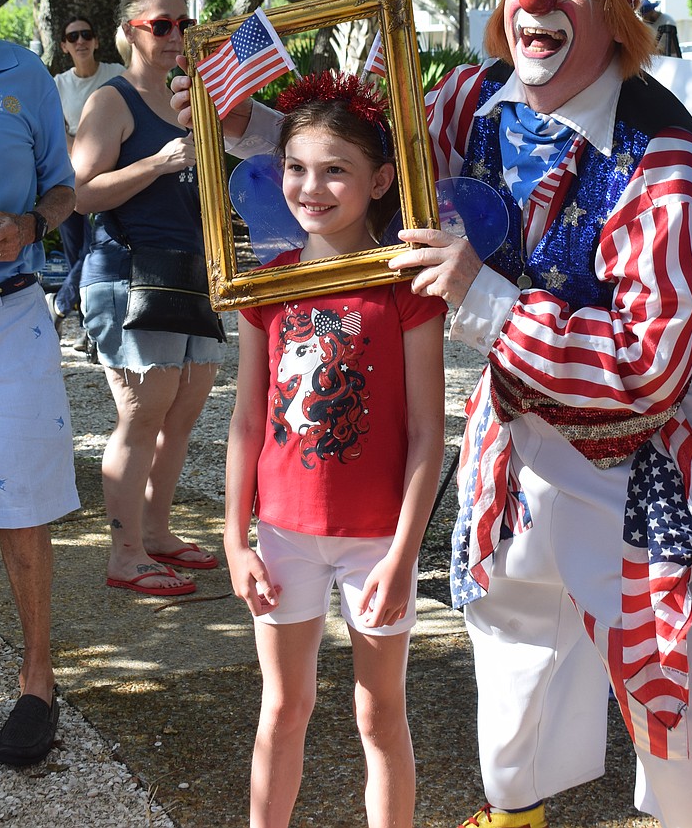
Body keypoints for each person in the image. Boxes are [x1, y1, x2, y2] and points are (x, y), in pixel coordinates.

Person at [174, 0, 692, 828]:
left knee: (661, 670)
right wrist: (243, 118)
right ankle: (517, 806)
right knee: (512, 609)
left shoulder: (666, 165)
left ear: (615, 17)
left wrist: (483, 298)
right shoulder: (473, 98)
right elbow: (366, 160)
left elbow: (650, 369)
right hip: (522, 400)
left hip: (648, 434)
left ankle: (688, 818)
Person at [223, 70, 446, 828]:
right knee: (282, 708)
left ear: (380, 177)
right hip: (283, 535)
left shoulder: (405, 285)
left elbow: (426, 433)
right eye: (295, 167)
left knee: (379, 714)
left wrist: (404, 553)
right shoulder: (268, 286)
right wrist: (234, 539)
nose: (311, 186)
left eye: (335, 169)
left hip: (377, 540)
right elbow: (247, 423)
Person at [72, 0, 223, 597]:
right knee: (142, 414)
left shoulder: (191, 98)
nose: (177, 36)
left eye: (184, 24)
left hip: (191, 277)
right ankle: (125, 552)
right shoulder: (111, 101)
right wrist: (158, 163)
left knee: (184, 410)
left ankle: (156, 534)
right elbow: (78, 194)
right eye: (162, 25)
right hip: (130, 278)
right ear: (130, 31)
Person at [0, 0, 80, 765]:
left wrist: (30, 224)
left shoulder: (25, 77)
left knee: (21, 502)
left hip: (10, 313)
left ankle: (38, 676)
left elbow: (63, 185)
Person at [46, 15, 124, 339]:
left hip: (104, 178)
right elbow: (53, 130)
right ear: (64, 46)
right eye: (73, 36)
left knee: (93, 251)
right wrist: (80, 151)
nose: (81, 41)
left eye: (86, 34)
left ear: (96, 41)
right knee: (75, 250)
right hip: (65, 178)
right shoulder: (58, 84)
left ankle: (60, 303)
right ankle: (85, 328)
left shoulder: (116, 75)